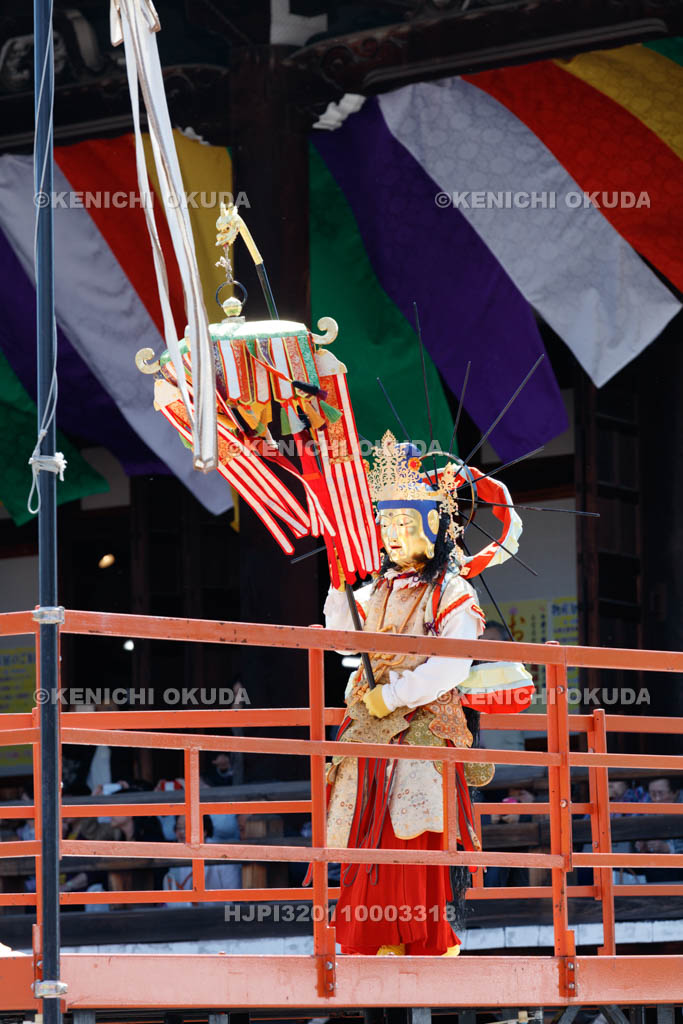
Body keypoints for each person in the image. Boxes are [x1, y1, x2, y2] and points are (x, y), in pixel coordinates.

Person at [322, 433, 534, 957]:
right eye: (387, 524)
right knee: (363, 827)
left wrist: (393, 696)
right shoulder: (382, 586)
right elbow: (339, 634)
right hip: (369, 722)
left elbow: (452, 664)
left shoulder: (453, 589)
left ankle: (420, 936)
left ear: (434, 526)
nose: (393, 535)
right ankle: (370, 935)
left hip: (421, 724)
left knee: (412, 826)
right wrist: (339, 581)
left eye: (405, 524)